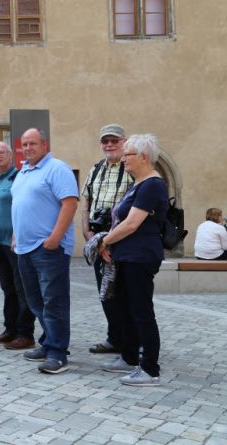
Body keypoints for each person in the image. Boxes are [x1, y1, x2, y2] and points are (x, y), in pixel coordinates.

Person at [98, 134, 167, 386]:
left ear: (144, 157)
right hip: (127, 256)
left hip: (140, 257)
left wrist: (105, 241)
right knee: (126, 309)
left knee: (142, 312)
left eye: (128, 155)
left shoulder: (152, 185)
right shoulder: (137, 184)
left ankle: (150, 368)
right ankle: (128, 357)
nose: (123, 159)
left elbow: (131, 223)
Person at [11, 128, 78, 374]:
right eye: (24, 144)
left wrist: (55, 238)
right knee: (35, 300)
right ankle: (49, 341)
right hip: (25, 249)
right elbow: (21, 206)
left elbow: (69, 203)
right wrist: (16, 236)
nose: (28, 148)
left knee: (54, 301)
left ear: (44, 144)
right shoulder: (24, 172)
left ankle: (58, 354)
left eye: (33, 144)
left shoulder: (57, 168)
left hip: (48, 248)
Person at [81, 124, 132, 355]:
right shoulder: (95, 169)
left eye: (114, 140)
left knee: (125, 294)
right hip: (97, 238)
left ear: (124, 142)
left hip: (123, 240)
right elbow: (85, 206)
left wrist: (108, 240)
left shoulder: (131, 168)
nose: (109, 145)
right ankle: (115, 338)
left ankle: (132, 341)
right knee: (106, 293)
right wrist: (89, 235)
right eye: (105, 141)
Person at [0, 142, 35, 350]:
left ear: (10, 155)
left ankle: (26, 333)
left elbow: (25, 206)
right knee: (8, 289)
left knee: (21, 288)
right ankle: (11, 329)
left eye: (1, 153)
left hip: (15, 242)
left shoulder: (19, 177)